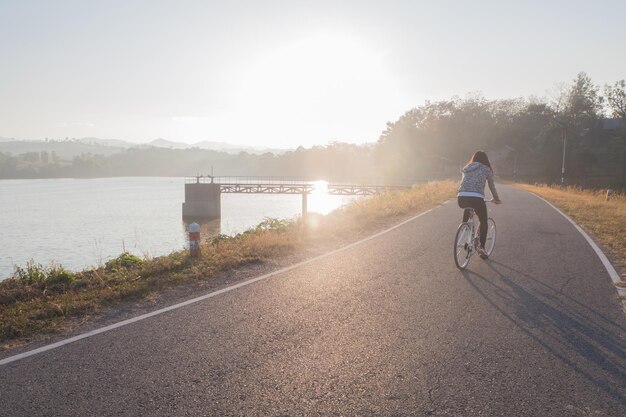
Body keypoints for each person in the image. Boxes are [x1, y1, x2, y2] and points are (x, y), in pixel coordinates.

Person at [457, 151, 502, 258]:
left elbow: (464, 183)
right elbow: (492, 186)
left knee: (468, 209)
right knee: (483, 221)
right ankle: (482, 246)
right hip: (476, 198)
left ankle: (465, 230)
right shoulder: (486, 169)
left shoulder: (466, 167)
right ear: (485, 160)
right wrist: (496, 199)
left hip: (461, 197)